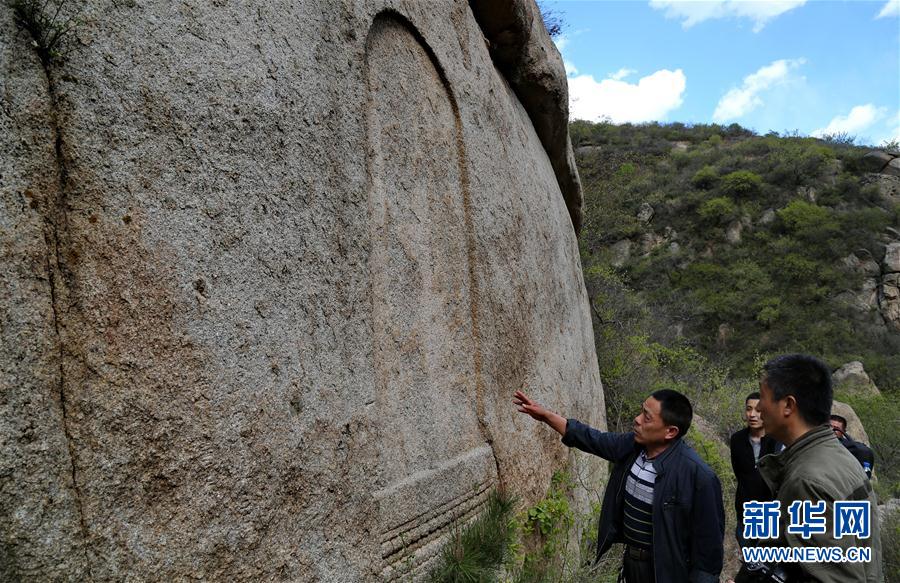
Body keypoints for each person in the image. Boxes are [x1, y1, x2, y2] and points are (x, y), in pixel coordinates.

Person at [514, 388, 724, 583]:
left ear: (670, 431)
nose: (637, 419)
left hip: (666, 573)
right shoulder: (633, 447)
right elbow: (592, 439)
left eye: (647, 417)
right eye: (641, 412)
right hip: (632, 565)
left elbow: (708, 556)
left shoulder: (699, 477)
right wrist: (547, 416)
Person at [752, 354, 882, 583]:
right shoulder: (839, 455)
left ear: (788, 405)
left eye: (763, 398)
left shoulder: (807, 480)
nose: (759, 407)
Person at [730, 392, 781, 549]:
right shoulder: (737, 439)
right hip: (745, 515)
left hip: (771, 517)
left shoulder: (778, 441)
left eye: (758, 410)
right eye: (748, 409)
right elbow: (740, 473)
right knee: (750, 564)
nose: (752, 414)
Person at [829, 414, 875, 480]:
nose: (832, 430)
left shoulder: (855, 448)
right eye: (830, 427)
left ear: (843, 432)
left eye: (836, 429)